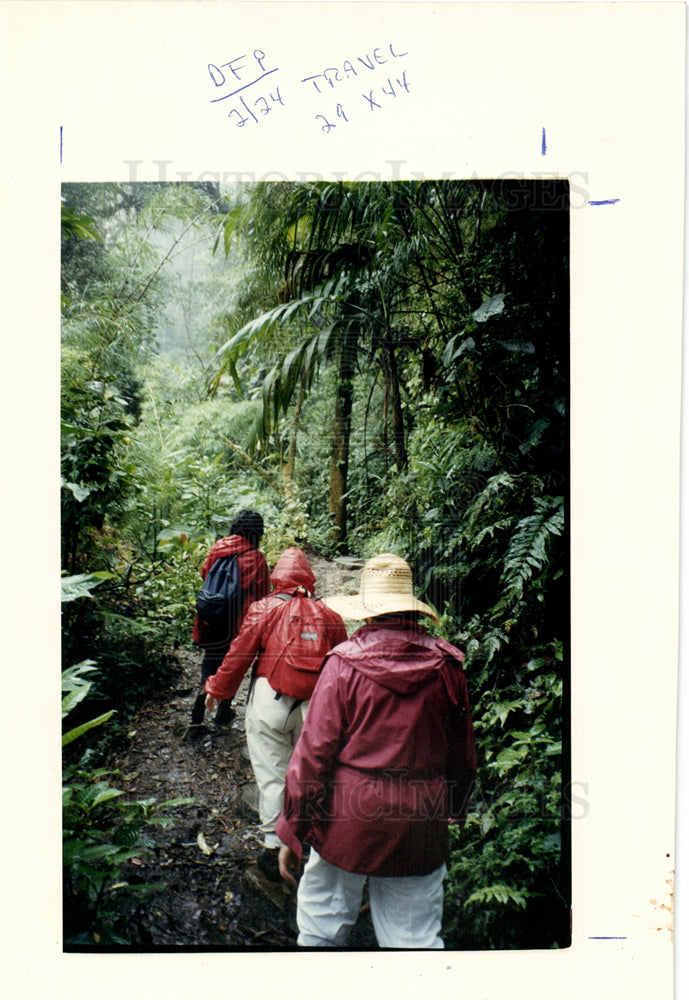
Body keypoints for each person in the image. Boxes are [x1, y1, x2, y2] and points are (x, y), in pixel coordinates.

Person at [275, 552, 477, 949]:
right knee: (414, 939)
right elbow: (463, 752)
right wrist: (454, 806)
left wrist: (292, 831)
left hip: (346, 819)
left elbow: (313, 756)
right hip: (420, 822)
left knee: (321, 928)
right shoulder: (447, 666)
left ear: (367, 613)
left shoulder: (343, 665)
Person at [205, 547, 348, 881]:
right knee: (311, 775)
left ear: (277, 578)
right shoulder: (329, 614)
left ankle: (273, 849)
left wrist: (217, 689)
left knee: (272, 777)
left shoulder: (264, 608)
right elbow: (343, 665)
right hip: (316, 708)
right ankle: (308, 844)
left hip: (270, 699)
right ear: (310, 579)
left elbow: (239, 654)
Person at [190, 509, 271, 728]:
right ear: (257, 533)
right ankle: (223, 713)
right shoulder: (256, 558)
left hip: (211, 618)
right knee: (231, 666)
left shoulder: (219, 547)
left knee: (209, 664)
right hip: (236, 624)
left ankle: (197, 716)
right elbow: (264, 594)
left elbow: (204, 573)